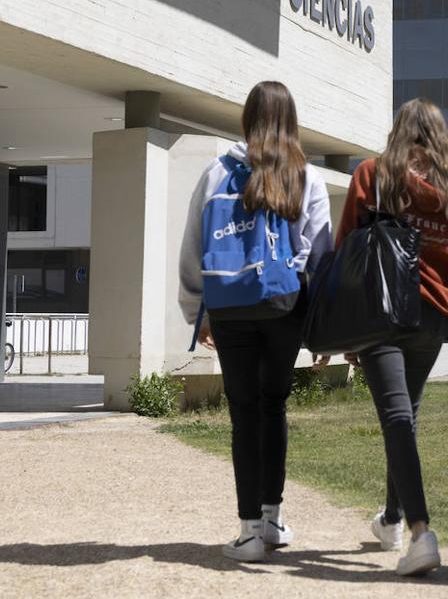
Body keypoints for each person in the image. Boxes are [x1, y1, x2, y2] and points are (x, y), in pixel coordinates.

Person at [327, 97, 448, 576]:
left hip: (382, 315)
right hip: (432, 321)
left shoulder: (373, 175)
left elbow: (347, 246)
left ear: (398, 130)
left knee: (396, 417)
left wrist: (335, 324)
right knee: (403, 417)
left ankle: (420, 532)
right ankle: (390, 519)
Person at [179, 81, 333, 562]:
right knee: (274, 406)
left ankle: (247, 532)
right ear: (291, 121)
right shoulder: (305, 176)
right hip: (283, 307)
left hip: (229, 307)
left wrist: (195, 308)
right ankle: (272, 518)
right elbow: (318, 253)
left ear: (247, 119)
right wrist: (318, 320)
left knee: (243, 412)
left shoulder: (216, 172)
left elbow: (194, 242)